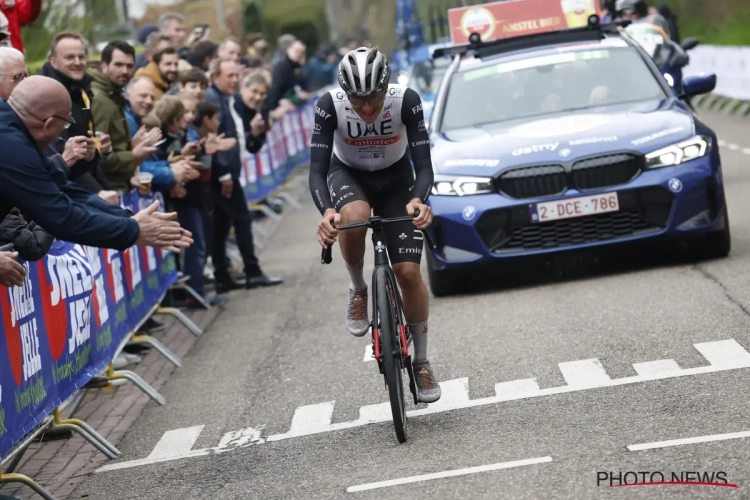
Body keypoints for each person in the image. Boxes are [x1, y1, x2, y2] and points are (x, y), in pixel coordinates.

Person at [309, 47, 440, 403]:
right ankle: (358, 289)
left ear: (387, 86)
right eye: (358, 99)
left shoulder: (406, 100)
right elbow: (318, 171)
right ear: (345, 92)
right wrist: (325, 212)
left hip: (397, 180)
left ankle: (423, 361)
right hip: (348, 175)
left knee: (409, 273)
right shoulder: (329, 105)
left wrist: (418, 200)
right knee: (352, 217)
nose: (367, 108)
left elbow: (424, 165)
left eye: (374, 97)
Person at [0, 75, 193, 252]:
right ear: (49, 125)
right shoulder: (13, 148)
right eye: (65, 124)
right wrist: (132, 230)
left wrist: (128, 219)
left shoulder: (13, 128)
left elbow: (64, 187)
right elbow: (61, 216)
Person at [205, 58, 282, 291]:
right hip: (221, 174)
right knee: (241, 220)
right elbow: (213, 142)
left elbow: (245, 144)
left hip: (227, 172)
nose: (234, 80)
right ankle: (252, 271)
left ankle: (223, 276)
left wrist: (257, 133)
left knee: (221, 225)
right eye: (229, 76)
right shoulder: (213, 99)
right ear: (216, 75)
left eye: (236, 75)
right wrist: (223, 175)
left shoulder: (228, 100)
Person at [40, 32, 114, 199]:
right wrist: (97, 193)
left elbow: (82, 155)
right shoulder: (47, 96)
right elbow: (61, 155)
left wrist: (94, 152)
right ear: (53, 61)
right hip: (64, 195)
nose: (77, 62)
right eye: (69, 57)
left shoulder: (80, 88)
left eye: (81, 57)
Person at [91, 41, 158, 192]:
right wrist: (134, 155)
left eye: (129, 66)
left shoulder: (114, 94)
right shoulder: (100, 99)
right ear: (104, 65)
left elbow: (113, 145)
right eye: (118, 65)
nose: (125, 71)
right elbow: (96, 156)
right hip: (108, 190)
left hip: (120, 185)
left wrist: (131, 144)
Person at [261, 40, 309, 124]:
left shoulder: (300, 68)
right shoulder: (282, 67)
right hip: (280, 107)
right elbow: (276, 89)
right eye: (297, 51)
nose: (299, 54)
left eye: (302, 52)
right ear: (289, 50)